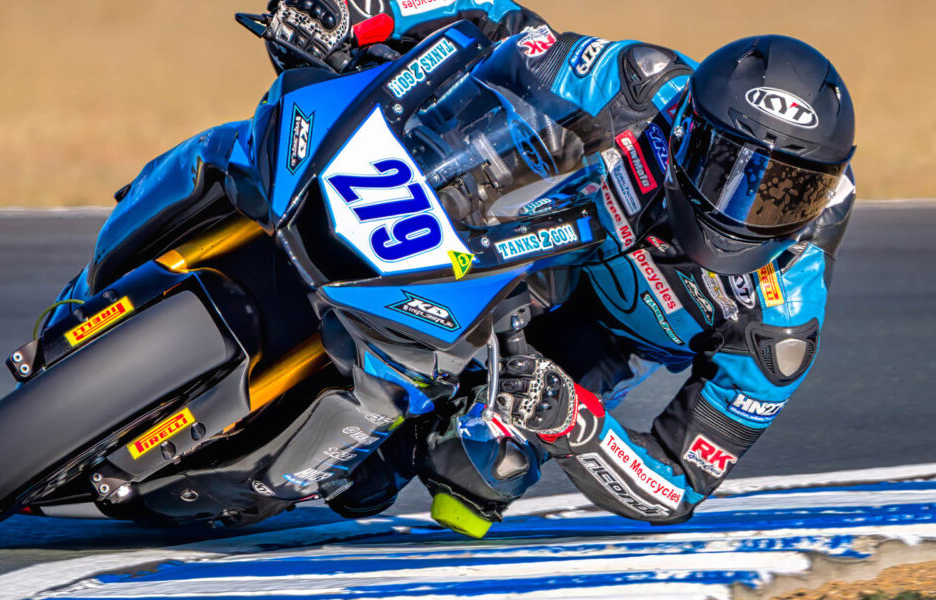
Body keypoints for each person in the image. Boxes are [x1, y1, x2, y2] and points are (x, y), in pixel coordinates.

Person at [236, 0, 857, 534]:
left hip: (594, 336)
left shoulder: (782, 325)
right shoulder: (641, 86)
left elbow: (677, 485)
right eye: (724, 166)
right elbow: (505, 26)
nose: (738, 206)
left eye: (784, 193)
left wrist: (573, 420)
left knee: (455, 473)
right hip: (512, 217)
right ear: (688, 126)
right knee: (303, 121)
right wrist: (366, 13)